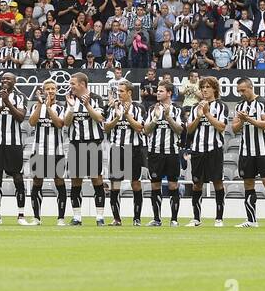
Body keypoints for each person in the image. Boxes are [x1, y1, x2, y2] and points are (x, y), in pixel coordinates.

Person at [231, 77, 265, 228]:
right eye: (239, 91)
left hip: (262, 150)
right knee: (248, 184)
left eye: (243, 90)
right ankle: (251, 220)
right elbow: (234, 129)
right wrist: (242, 120)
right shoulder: (239, 105)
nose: (241, 93)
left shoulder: (263, 103)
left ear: (250, 87)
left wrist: (248, 119)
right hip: (245, 151)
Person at [0, 71, 28, 225]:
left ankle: (21, 215)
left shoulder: (20, 97)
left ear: (14, 81)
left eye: (8, 78)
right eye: (3, 79)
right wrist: (1, 106)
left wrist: (7, 102)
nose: (4, 81)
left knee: (18, 178)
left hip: (14, 144)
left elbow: (20, 117)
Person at [63, 72, 107, 226]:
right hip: (76, 144)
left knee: (97, 179)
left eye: (73, 83)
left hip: (93, 143)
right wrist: (71, 107)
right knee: (76, 181)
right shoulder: (70, 99)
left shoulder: (96, 99)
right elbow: (66, 122)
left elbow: (99, 118)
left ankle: (99, 217)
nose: (71, 86)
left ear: (82, 84)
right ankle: (77, 217)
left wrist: (87, 105)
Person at [185, 76, 228, 227]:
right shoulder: (194, 107)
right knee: (197, 184)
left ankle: (219, 218)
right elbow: (189, 130)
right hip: (198, 150)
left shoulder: (221, 106)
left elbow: (222, 127)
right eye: (202, 87)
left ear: (215, 89)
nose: (204, 90)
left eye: (208, 87)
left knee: (218, 182)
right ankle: (196, 219)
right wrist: (198, 117)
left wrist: (208, 114)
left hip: (214, 149)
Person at [105, 78, 147, 226]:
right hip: (117, 149)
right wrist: (117, 117)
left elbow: (140, 128)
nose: (119, 94)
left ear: (129, 92)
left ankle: (137, 218)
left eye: (121, 91)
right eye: (118, 91)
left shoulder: (139, 108)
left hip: (133, 149)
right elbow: (106, 128)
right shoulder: (113, 108)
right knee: (115, 185)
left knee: (135, 183)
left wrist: (127, 115)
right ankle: (117, 219)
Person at [144, 82, 185, 227]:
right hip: (155, 153)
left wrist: (168, 117)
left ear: (169, 93)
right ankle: (157, 219)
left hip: (172, 152)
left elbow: (180, 130)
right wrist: (155, 119)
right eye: (157, 91)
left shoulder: (178, 110)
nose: (158, 93)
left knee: (173, 185)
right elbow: (146, 130)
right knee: (155, 185)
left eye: (161, 91)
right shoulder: (152, 109)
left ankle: (174, 219)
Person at [27, 80, 67, 225]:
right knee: (37, 182)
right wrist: (40, 105)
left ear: (56, 90)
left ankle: (61, 218)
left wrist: (49, 107)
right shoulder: (36, 106)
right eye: (47, 89)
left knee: (59, 181)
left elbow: (60, 124)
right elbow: (32, 122)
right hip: (38, 150)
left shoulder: (61, 107)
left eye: (53, 89)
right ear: (43, 91)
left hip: (57, 150)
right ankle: (36, 218)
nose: (50, 91)